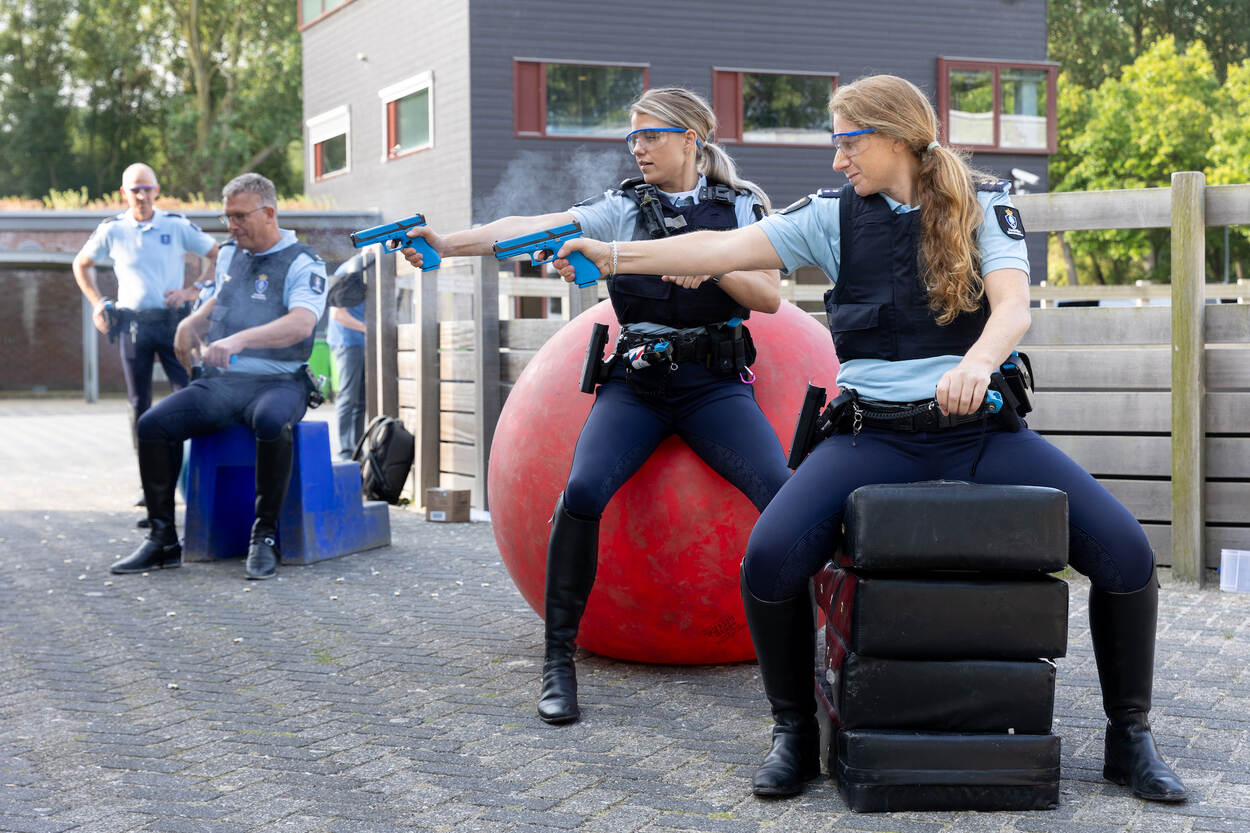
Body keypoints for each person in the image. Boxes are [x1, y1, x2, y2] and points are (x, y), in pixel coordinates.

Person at [555, 74, 1188, 803]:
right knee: (767, 561)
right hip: (871, 437)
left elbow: (1012, 308)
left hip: (981, 433)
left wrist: (979, 363)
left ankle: (1129, 738)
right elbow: (720, 246)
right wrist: (609, 252)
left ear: (893, 137)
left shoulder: (986, 201)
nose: (836, 160)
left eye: (846, 141)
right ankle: (793, 733)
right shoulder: (830, 216)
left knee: (1129, 556)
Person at [400, 87, 793, 725]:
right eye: (632, 137)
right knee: (581, 492)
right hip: (636, 384)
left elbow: (769, 297)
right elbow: (530, 228)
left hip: (714, 385)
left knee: (781, 494)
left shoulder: (741, 207)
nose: (638, 146)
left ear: (691, 139)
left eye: (652, 135)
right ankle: (558, 661)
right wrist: (448, 243)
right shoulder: (622, 208)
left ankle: (805, 654)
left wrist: (710, 264)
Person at [110, 172, 328, 581]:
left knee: (269, 421)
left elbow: (301, 324)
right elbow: (220, 298)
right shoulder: (231, 254)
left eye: (240, 216)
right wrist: (191, 322)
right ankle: (162, 541)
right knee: (152, 425)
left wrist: (240, 340)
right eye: (227, 217)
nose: (231, 226)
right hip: (225, 384)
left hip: (281, 381)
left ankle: (263, 537)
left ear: (269, 213)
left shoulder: (303, 261)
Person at [73, 163, 219, 510]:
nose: (141, 195)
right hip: (133, 326)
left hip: (173, 325)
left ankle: (191, 479)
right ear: (123, 193)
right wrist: (97, 304)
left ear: (157, 190)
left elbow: (216, 254)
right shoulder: (113, 230)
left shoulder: (175, 224)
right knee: (139, 405)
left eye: (147, 188)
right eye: (134, 189)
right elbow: (81, 264)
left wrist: (192, 290)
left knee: (187, 397)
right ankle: (151, 486)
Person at [326, 253, 370, 460]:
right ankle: (345, 452)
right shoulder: (349, 269)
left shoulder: (368, 269)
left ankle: (356, 450)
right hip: (347, 342)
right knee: (348, 396)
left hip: (362, 342)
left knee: (361, 400)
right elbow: (338, 314)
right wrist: (368, 329)